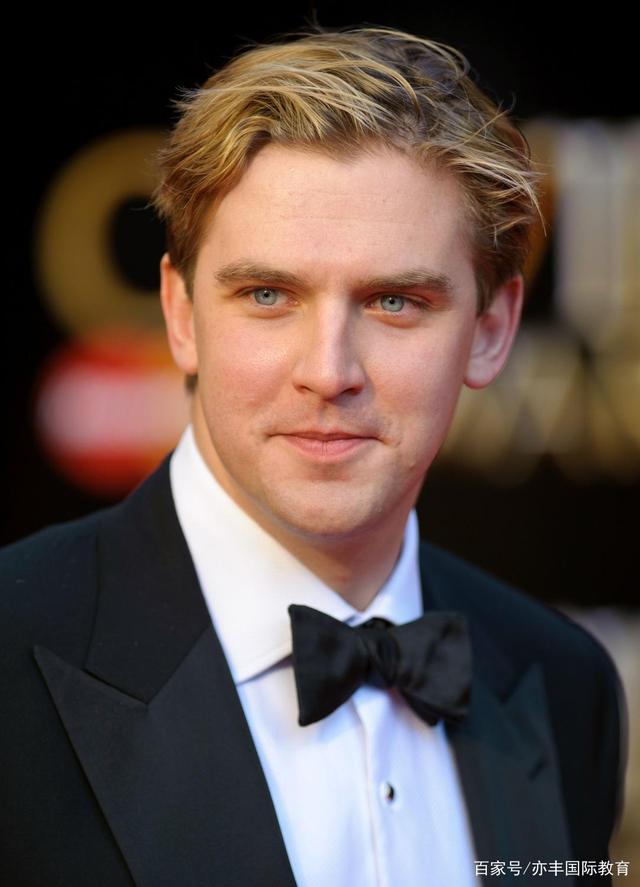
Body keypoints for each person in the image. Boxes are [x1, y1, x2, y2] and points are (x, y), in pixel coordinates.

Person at [1, 25, 627, 887]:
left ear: (491, 330)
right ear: (180, 314)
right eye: (268, 294)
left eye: (395, 301)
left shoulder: (564, 688)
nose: (329, 372)